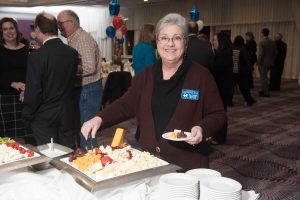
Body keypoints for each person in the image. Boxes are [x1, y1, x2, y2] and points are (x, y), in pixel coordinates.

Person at [81, 13, 226, 171]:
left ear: (185, 42)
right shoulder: (145, 76)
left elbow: (218, 114)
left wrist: (202, 128)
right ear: (157, 42)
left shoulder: (201, 76)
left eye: (177, 38)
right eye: (164, 38)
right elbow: (125, 104)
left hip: (187, 164)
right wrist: (99, 118)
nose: (170, 44)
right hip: (149, 162)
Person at [23, 12, 79, 148]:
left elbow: (34, 91)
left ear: (38, 30)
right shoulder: (72, 53)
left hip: (45, 115)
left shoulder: (36, 56)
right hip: (68, 112)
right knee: (68, 154)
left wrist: (27, 114)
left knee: (49, 156)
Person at [57, 10, 102, 149]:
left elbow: (89, 68)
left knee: (86, 129)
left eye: (61, 23)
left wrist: (66, 70)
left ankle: (91, 161)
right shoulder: (74, 39)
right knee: (82, 129)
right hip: (84, 90)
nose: (58, 26)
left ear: (72, 23)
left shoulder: (82, 39)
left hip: (88, 90)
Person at [0, 17, 29, 138]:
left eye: (11, 28)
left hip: (26, 97)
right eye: (5, 29)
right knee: (7, 137)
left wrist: (28, 87)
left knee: (27, 135)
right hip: (4, 98)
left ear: (16, 29)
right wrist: (14, 84)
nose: (9, 31)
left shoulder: (28, 47)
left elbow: (34, 72)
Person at [211, 32, 234, 144]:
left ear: (221, 42)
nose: (213, 42)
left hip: (222, 90)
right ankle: (218, 136)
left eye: (215, 40)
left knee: (220, 113)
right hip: (223, 89)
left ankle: (220, 138)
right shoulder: (223, 54)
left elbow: (216, 71)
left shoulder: (222, 56)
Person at [231, 35, 256, 106]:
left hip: (232, 72)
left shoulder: (231, 48)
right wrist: (251, 69)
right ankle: (249, 100)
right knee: (244, 88)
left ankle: (228, 101)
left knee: (231, 88)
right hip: (241, 72)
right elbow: (247, 60)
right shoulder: (243, 49)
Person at [257, 28, 277, 97]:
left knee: (263, 78)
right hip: (270, 63)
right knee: (265, 77)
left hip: (263, 63)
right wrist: (272, 60)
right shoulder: (272, 42)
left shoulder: (261, 42)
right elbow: (275, 53)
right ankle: (264, 90)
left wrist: (258, 62)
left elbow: (261, 54)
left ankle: (265, 92)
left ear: (262, 33)